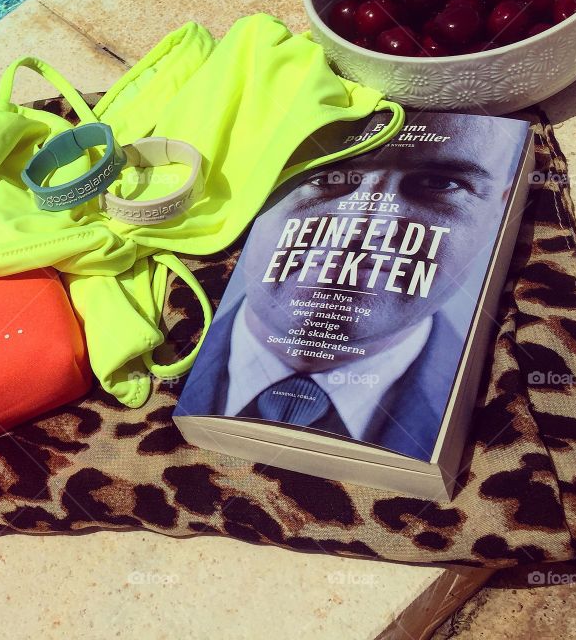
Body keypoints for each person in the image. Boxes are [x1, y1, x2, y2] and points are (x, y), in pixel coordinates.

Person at [177, 114, 526, 460]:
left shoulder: (505, 427)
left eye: (439, 183)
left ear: (501, 210)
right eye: (325, 173)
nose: (362, 228)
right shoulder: (162, 328)